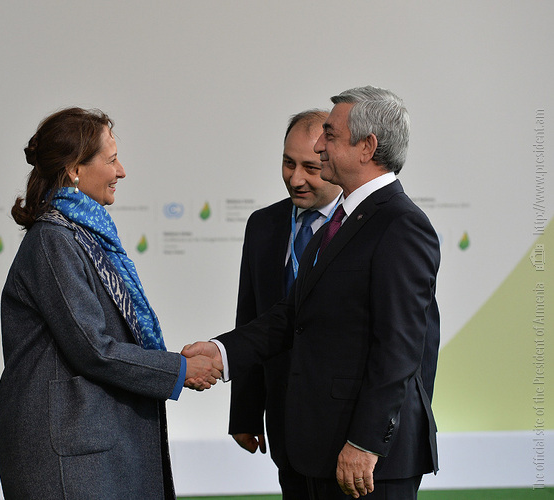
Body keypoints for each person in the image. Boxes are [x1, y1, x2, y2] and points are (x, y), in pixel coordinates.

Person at [183, 86, 440, 500]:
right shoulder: (343, 221)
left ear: (367, 147)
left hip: (367, 463)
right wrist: (221, 352)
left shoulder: (400, 224)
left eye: (330, 136)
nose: (320, 147)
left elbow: (400, 348)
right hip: (316, 450)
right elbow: (291, 316)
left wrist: (365, 442)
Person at [0, 107, 222, 500]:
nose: (121, 171)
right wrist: (179, 368)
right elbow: (92, 348)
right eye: (112, 160)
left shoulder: (81, 235)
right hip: (70, 458)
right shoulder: (54, 240)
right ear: (74, 170)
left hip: (91, 448)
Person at [229, 110, 341, 498]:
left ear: (333, 161)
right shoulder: (263, 224)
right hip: (285, 425)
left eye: (311, 167)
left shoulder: (365, 227)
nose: (295, 178)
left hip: (344, 427)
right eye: (288, 163)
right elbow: (251, 317)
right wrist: (245, 413)